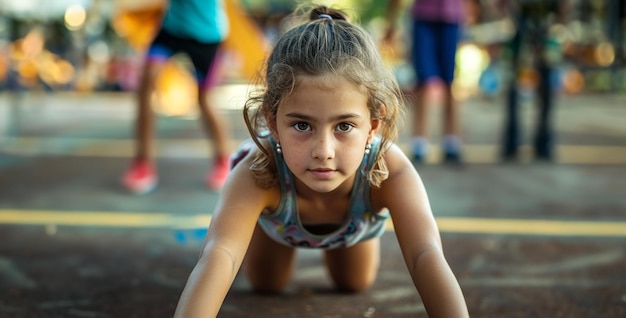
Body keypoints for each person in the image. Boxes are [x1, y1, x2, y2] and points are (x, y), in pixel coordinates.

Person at [174, 5, 469, 317]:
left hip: (352, 225)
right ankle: (269, 228)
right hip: (279, 223)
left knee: (354, 283)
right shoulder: (258, 169)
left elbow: (425, 254)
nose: (323, 150)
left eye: (344, 126)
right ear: (272, 123)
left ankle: (342, 238)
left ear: (372, 125)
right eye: (302, 125)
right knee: (267, 284)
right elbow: (220, 254)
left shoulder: (390, 172)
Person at [122, 0, 232, 194]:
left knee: (204, 100)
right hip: (172, 30)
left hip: (207, 35)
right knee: (146, 83)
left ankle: (223, 161)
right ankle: (142, 164)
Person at [385, 0, 466, 164]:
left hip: (452, 15)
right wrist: (392, 21)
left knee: (449, 81)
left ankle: (451, 142)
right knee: (422, 81)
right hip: (423, 15)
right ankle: (419, 143)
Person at [496, 0, 571, 162]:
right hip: (521, 17)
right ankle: (517, 141)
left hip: (543, 19)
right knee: (517, 82)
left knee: (543, 83)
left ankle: (539, 141)